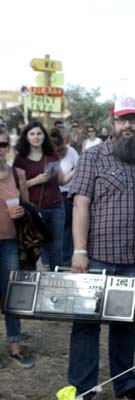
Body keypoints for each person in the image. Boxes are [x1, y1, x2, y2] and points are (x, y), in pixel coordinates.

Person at [68, 97, 135, 400]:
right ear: (112, 123)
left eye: (133, 120)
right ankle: (83, 388)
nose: (127, 125)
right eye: (122, 120)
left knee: (125, 325)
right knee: (86, 325)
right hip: (97, 256)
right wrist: (79, 251)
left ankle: (124, 384)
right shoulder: (93, 157)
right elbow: (80, 205)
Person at [13, 121, 75, 269]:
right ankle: (37, 279)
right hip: (34, 210)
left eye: (39, 133)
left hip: (56, 207)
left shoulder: (51, 155)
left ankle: (56, 278)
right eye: (32, 134)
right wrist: (35, 181)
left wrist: (76, 170)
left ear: (44, 136)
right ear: (26, 137)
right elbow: (14, 187)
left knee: (56, 247)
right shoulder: (20, 159)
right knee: (35, 247)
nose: (36, 137)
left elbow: (61, 180)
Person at [0, 127, 34, 369]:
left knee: (10, 293)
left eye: (2, 144)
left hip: (10, 242)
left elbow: (27, 207)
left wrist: (22, 211)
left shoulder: (17, 173)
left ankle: (14, 344)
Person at [49, 129, 79, 264]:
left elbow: (78, 168)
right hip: (53, 194)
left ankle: (67, 258)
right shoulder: (48, 156)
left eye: (62, 150)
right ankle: (52, 260)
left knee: (67, 228)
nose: (60, 153)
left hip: (68, 193)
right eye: (58, 151)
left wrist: (74, 171)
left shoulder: (71, 152)